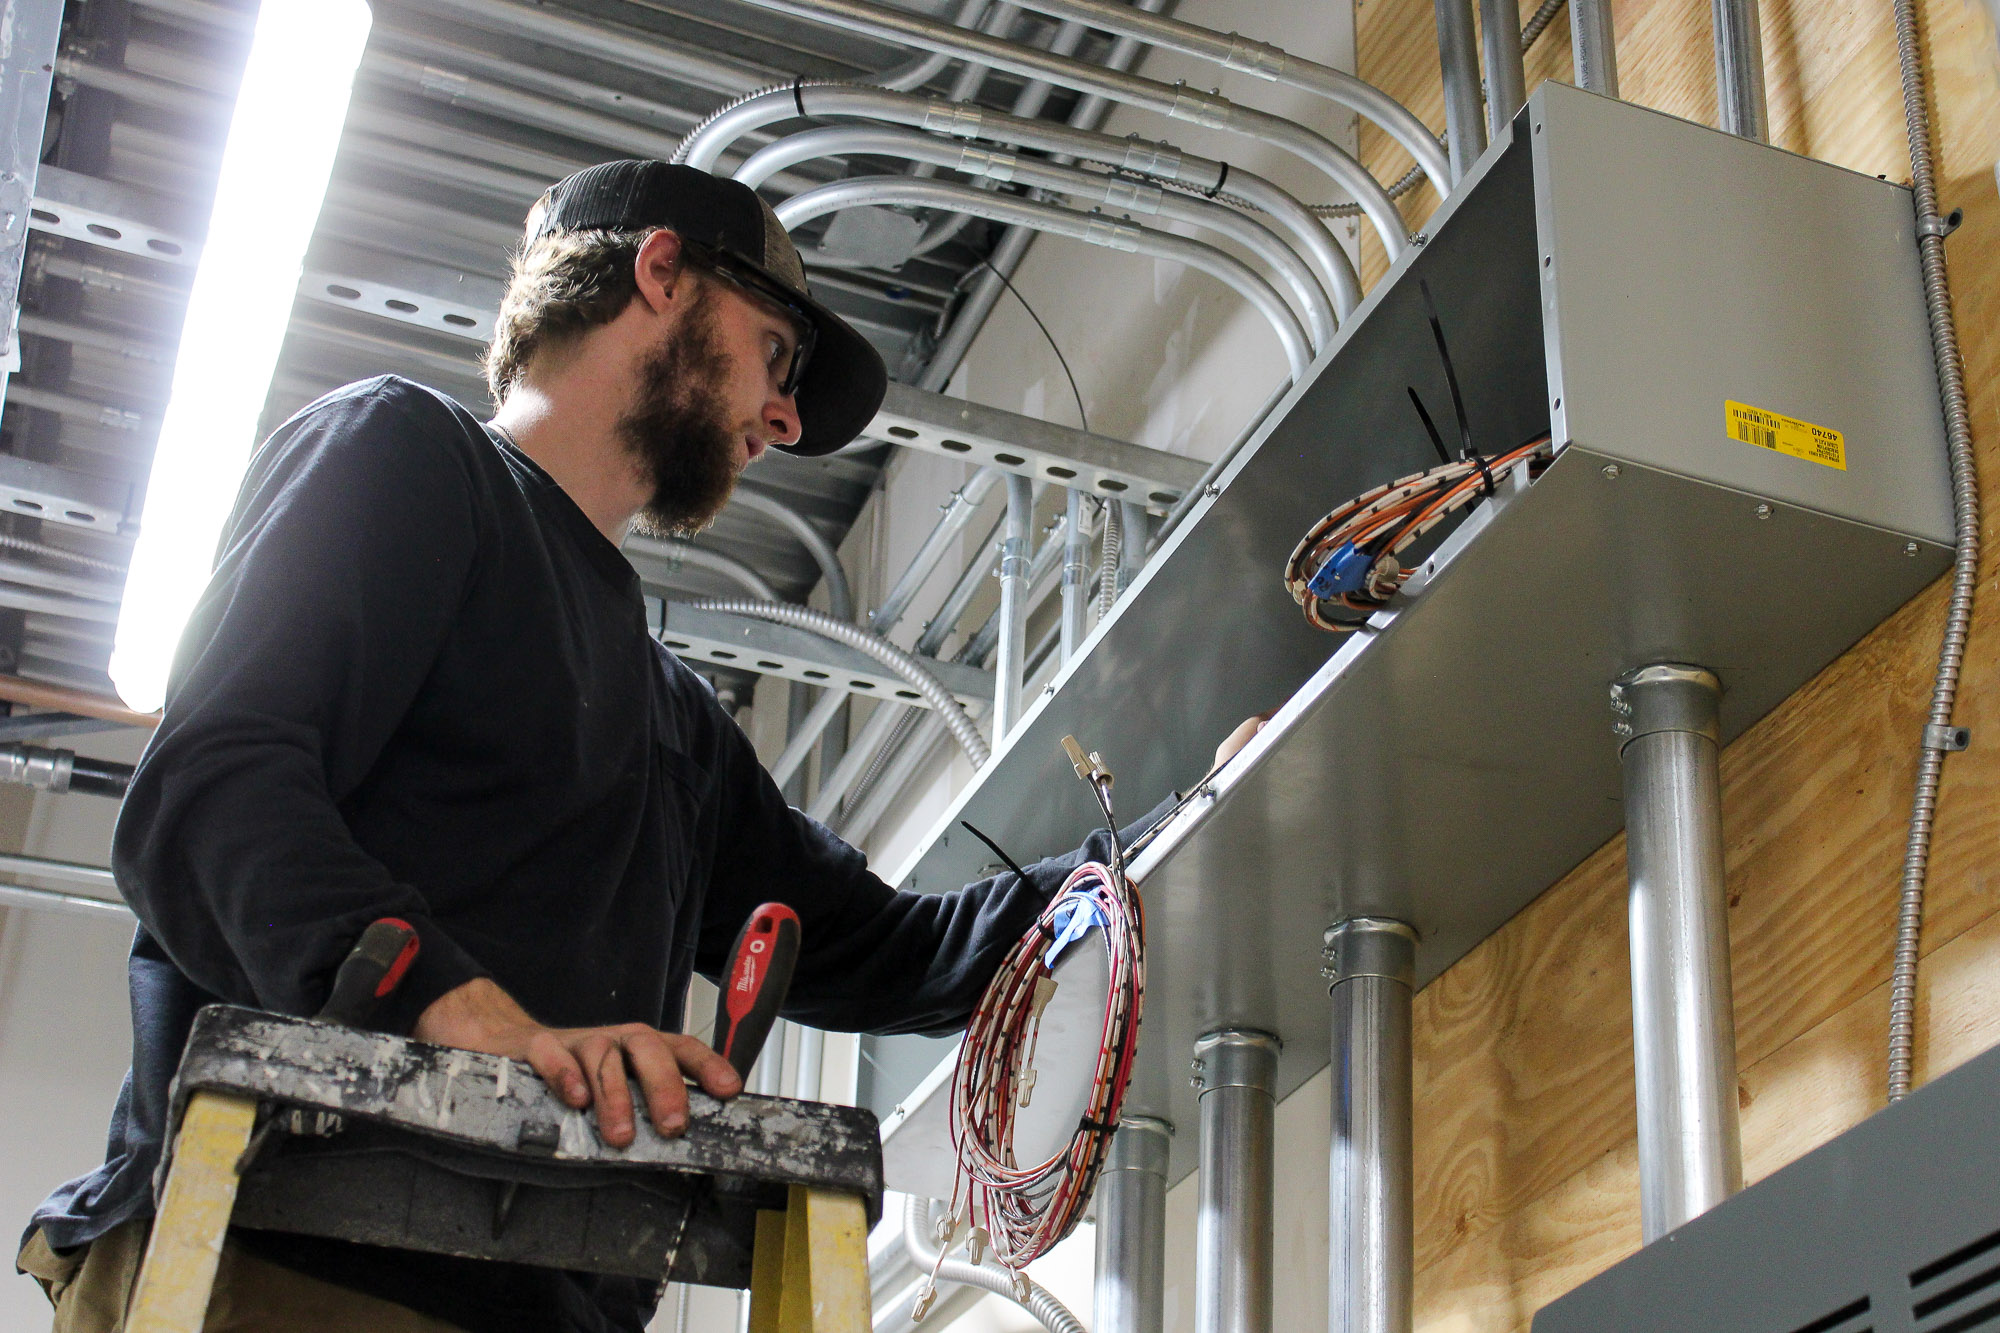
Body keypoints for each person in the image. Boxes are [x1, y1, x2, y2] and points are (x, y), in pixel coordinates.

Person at [15, 161, 1265, 1333]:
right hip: (285, 1256)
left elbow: (894, 950)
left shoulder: (673, 721)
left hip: (535, 1297)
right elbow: (212, 793)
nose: (779, 415)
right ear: (659, 275)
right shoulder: (406, 457)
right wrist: (476, 1020)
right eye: (773, 353)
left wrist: (1185, 820)